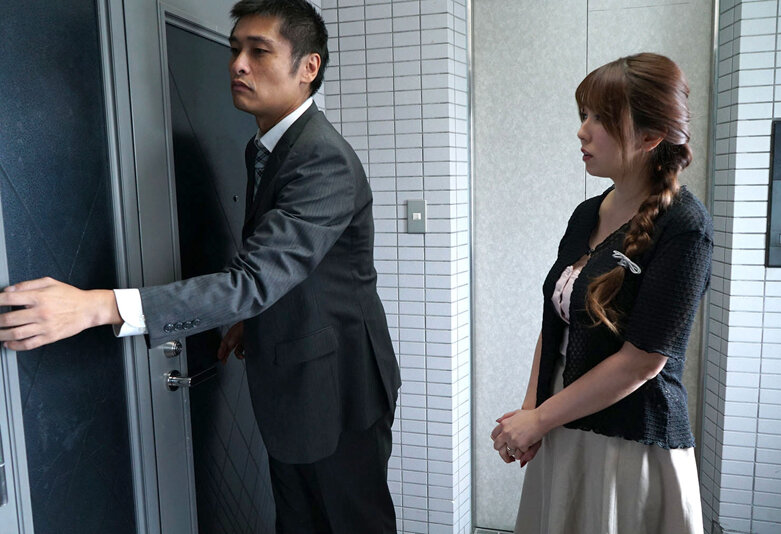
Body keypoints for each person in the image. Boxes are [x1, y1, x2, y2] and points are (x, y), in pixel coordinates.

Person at [0, 1, 400, 532]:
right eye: (235, 49)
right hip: (295, 381)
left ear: (309, 67)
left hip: (338, 390)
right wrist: (254, 322)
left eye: (259, 51)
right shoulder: (269, 147)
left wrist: (97, 306)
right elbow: (292, 270)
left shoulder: (322, 158)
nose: (238, 64)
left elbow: (253, 280)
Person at [491, 53, 712, 534]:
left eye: (600, 119)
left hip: (628, 442)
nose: (582, 131)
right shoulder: (586, 213)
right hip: (562, 419)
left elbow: (642, 361)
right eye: (583, 115)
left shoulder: (684, 227)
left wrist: (540, 419)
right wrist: (531, 413)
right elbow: (558, 322)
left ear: (651, 138)